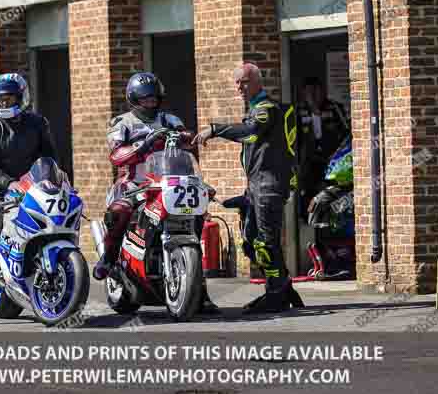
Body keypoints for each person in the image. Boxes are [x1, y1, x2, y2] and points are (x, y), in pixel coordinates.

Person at [92, 72, 219, 315]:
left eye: (154, 99)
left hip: (168, 180)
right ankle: (109, 258)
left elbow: (188, 139)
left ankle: (199, 290)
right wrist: (146, 144)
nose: (150, 103)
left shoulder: (169, 118)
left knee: (197, 218)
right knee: (119, 212)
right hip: (133, 183)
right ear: (134, 99)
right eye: (145, 99)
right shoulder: (122, 122)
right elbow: (116, 155)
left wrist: (184, 137)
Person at [194, 63, 304, 314]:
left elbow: (251, 130)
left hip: (268, 186)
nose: (239, 88)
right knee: (251, 242)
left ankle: (276, 294)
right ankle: (283, 285)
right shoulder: (256, 108)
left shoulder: (266, 109)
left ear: (256, 82)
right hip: (256, 187)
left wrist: (215, 129)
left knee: (266, 243)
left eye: (243, 82)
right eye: (236, 83)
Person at [0, 73, 58, 326]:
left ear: (23, 98)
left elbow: (50, 157)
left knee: (52, 226)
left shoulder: (38, 123)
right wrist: (9, 183)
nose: (4, 104)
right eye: (0, 100)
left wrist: (56, 179)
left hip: (33, 187)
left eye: (9, 99)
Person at [296, 76, 350, 202]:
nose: (313, 96)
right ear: (304, 93)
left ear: (323, 92)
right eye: (309, 92)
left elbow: (346, 132)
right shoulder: (299, 110)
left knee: (332, 192)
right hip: (309, 161)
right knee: (308, 194)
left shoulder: (334, 107)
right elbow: (295, 138)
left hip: (331, 159)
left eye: (316, 92)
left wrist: (339, 155)